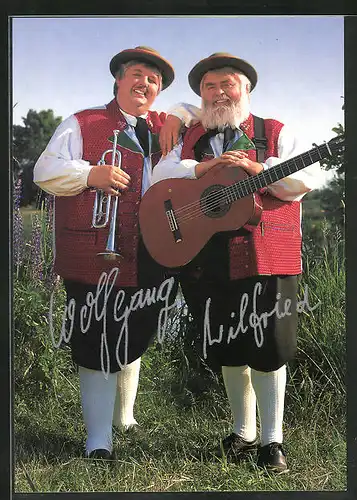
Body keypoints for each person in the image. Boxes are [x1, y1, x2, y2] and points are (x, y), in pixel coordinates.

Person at [152, 52, 321, 473]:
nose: (219, 92)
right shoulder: (191, 136)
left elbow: (305, 178)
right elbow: (160, 178)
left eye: (229, 83)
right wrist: (202, 169)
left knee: (271, 347)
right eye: (210, 86)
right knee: (227, 346)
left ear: (246, 90)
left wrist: (256, 166)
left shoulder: (274, 131)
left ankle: (273, 441)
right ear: (201, 96)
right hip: (207, 256)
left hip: (267, 255)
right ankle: (243, 433)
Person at [33, 46, 198, 459]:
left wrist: (178, 113)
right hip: (95, 252)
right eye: (138, 74)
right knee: (96, 339)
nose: (146, 83)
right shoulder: (83, 121)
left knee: (133, 331)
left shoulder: (167, 125)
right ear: (120, 80)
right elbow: (44, 171)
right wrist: (91, 173)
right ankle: (98, 440)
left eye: (154, 79)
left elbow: (206, 111)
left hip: (152, 250)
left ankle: (124, 416)